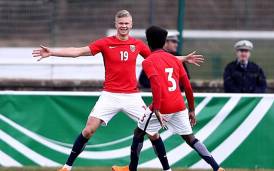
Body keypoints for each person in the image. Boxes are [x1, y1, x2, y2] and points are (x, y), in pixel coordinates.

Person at [32, 10, 203, 171]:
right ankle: (67, 167)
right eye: (121, 23)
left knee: (153, 133)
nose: (124, 26)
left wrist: (183, 59)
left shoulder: (137, 45)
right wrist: (52, 52)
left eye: (127, 23)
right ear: (115, 24)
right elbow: (78, 51)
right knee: (89, 129)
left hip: (132, 97)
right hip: (110, 95)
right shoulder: (105, 43)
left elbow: (161, 58)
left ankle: (167, 169)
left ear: (131, 24)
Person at [112, 26, 224, 171]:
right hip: (179, 105)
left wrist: (157, 108)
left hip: (162, 106)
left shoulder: (148, 61)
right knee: (190, 138)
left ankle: (131, 169)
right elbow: (188, 87)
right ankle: (217, 168)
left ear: (148, 42)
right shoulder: (175, 60)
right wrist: (192, 109)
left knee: (138, 133)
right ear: (164, 42)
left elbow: (157, 85)